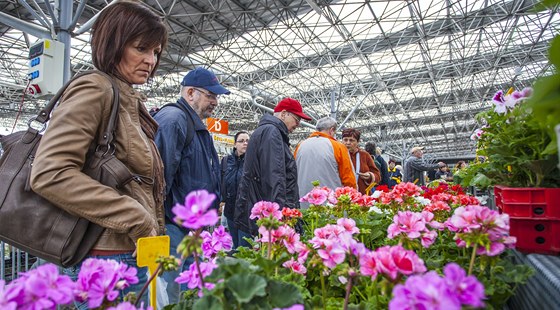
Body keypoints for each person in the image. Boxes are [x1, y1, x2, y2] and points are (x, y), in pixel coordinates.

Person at [29, 1, 168, 307]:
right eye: (142, 48)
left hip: (125, 251)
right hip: (105, 258)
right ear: (114, 43)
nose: (151, 60)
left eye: (155, 52)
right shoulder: (96, 89)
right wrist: (137, 218)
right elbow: (50, 173)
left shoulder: (125, 98)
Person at [153, 67, 230, 303]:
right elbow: (158, 179)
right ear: (190, 93)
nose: (215, 102)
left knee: (188, 292)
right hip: (172, 227)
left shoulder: (193, 124)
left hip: (189, 228)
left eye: (216, 96)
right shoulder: (173, 120)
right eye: (210, 95)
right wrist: (156, 224)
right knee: (171, 294)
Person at [235, 98, 312, 243]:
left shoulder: (267, 131)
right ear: (283, 114)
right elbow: (274, 178)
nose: (298, 124)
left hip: (262, 210)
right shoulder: (272, 133)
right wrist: (279, 218)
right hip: (270, 217)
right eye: (296, 118)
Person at [294, 117, 356, 207]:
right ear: (331, 130)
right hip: (330, 206)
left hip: (303, 203)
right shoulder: (338, 147)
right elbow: (349, 180)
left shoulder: (300, 146)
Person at [221, 131, 250, 249]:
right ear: (235, 144)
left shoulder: (251, 162)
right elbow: (221, 180)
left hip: (245, 211)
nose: (245, 143)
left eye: (248, 141)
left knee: (244, 247)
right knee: (234, 245)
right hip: (230, 209)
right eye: (241, 141)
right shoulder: (226, 161)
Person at [341, 128, 381, 194]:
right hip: (342, 196)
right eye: (345, 140)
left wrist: (370, 176)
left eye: (351, 140)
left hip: (362, 195)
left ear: (358, 142)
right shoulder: (338, 154)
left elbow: (377, 175)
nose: (348, 143)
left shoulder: (364, 155)